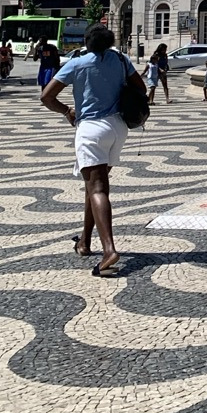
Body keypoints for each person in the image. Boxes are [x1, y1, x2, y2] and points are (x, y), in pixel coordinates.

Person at [40, 23, 145, 278]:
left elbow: (46, 96)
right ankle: (85, 241)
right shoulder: (121, 60)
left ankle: (109, 251)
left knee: (97, 188)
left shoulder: (77, 63)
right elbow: (140, 88)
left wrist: (66, 111)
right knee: (93, 185)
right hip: (118, 128)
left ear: (87, 42)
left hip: (91, 129)